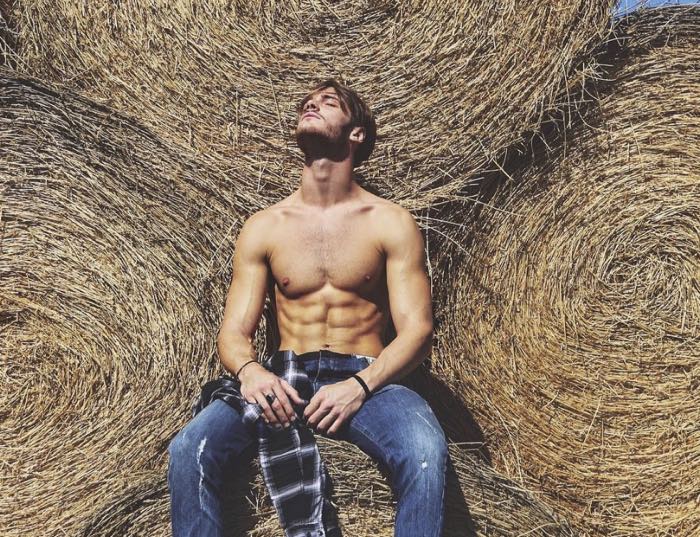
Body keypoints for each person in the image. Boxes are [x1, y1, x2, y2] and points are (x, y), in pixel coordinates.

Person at [167, 78, 448, 537]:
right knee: (188, 449)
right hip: (284, 376)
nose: (311, 106)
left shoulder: (391, 222)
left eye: (328, 102)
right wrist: (251, 373)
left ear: (356, 133)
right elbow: (233, 332)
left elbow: (417, 330)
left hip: (368, 378)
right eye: (307, 103)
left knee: (425, 452)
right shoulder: (265, 227)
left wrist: (360, 386)